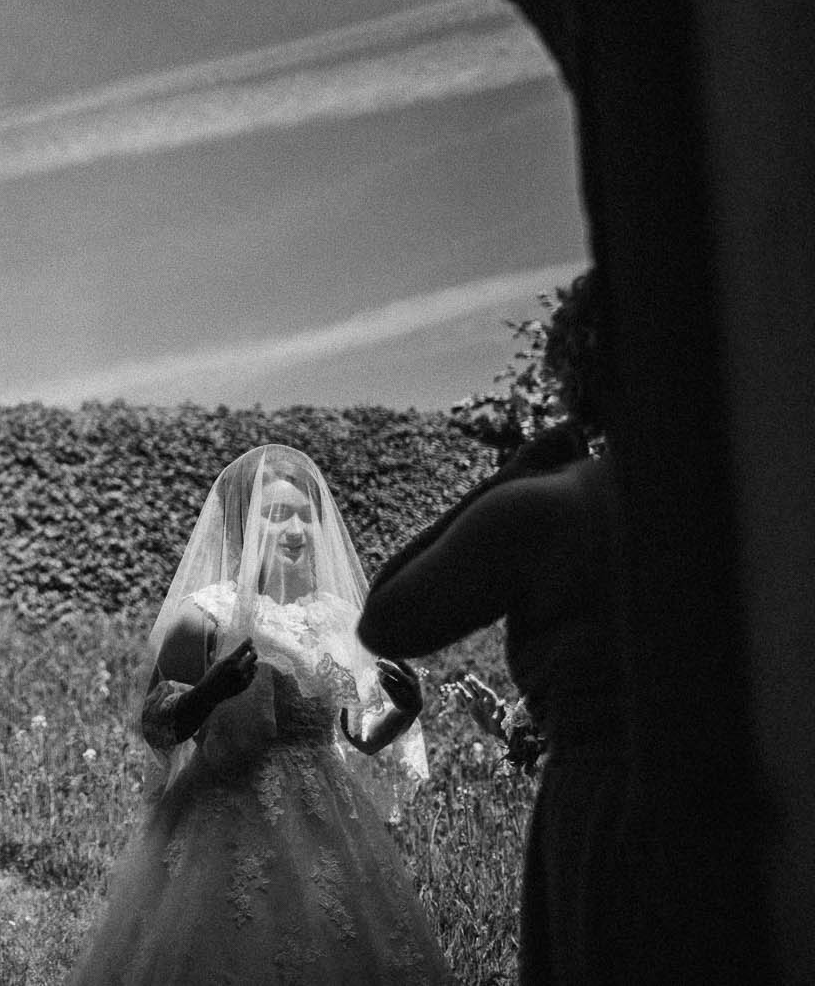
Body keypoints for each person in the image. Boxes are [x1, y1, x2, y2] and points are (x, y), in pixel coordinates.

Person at [66, 444, 451, 985]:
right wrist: (208, 694)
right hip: (223, 819)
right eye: (276, 515)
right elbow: (157, 725)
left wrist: (405, 711)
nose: (295, 530)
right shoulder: (205, 616)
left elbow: (357, 734)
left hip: (326, 817)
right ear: (244, 528)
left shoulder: (340, 619)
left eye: (305, 516)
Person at [357, 269, 628, 984]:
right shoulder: (763, 488)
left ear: (578, 370)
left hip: (611, 817)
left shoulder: (552, 505)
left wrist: (515, 474)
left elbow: (387, 616)